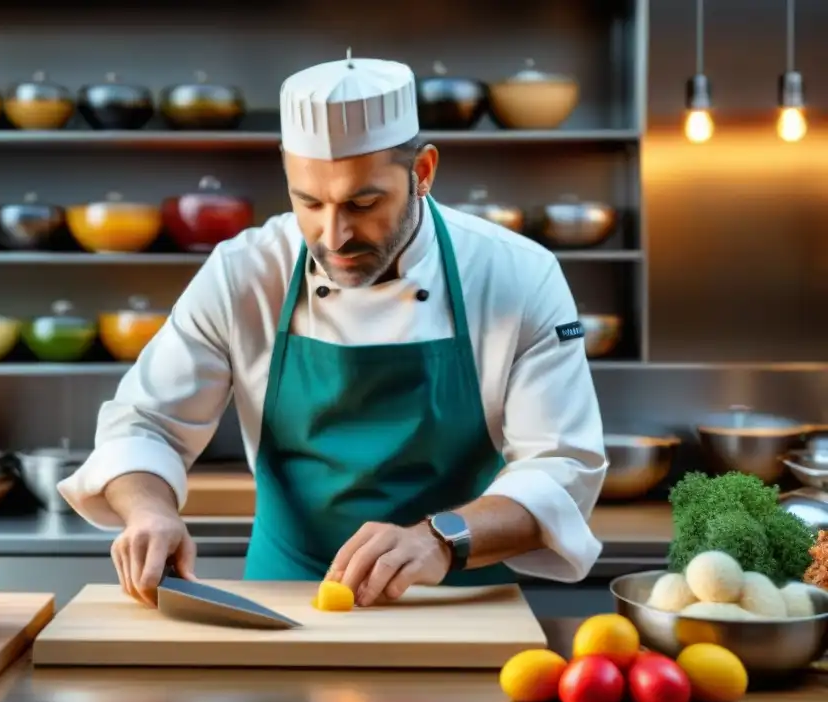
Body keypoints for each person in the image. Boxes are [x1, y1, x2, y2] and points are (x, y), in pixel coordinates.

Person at [59, 52, 608, 608]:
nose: (334, 235)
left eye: (363, 203)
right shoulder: (245, 272)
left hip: (456, 597)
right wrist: (150, 511)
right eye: (309, 202)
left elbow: (561, 466)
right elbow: (146, 423)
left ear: (423, 171)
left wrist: (441, 538)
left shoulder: (515, 273)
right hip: (286, 593)